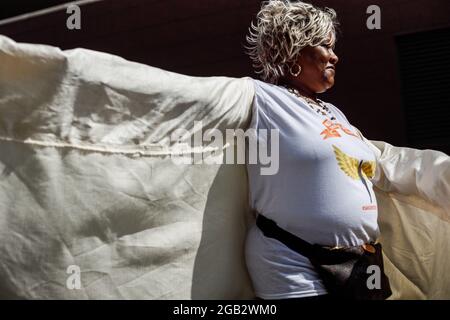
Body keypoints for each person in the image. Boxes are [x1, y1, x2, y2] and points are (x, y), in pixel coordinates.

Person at [244, 0, 383, 300]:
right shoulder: (259, 98)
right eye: (323, 45)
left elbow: (381, 161)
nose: (335, 56)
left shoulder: (334, 112)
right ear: (291, 50)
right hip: (290, 261)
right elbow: (194, 102)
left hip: (356, 264)